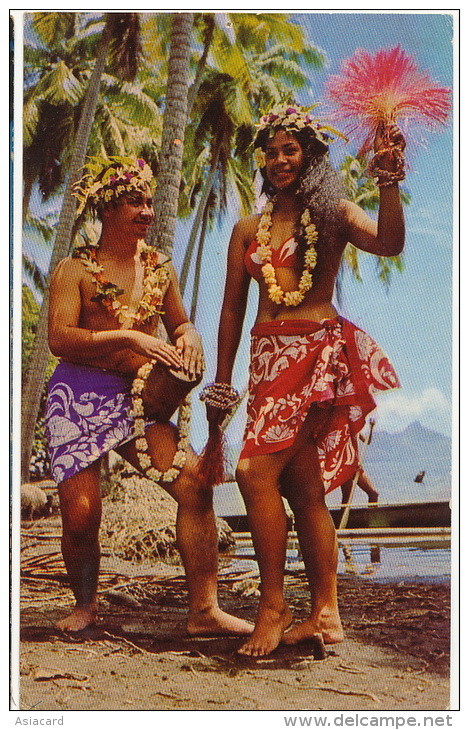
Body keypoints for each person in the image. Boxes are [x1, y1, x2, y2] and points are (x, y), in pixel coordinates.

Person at [204, 104, 404, 656]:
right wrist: (222, 385)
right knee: (303, 487)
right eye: (270, 152)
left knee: (252, 473)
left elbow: (389, 243)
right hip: (265, 361)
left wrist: (388, 182)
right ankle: (327, 613)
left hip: (315, 355)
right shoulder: (248, 228)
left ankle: (274, 606)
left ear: (311, 155)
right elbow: (229, 311)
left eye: (289, 149)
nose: (278, 160)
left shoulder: (333, 213)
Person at [45, 157, 253, 637]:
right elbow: (60, 338)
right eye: (134, 201)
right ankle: (86, 604)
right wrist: (129, 338)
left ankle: (204, 611)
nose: (147, 210)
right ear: (107, 209)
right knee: (81, 514)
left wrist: (190, 336)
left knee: (195, 486)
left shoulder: (159, 267)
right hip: (77, 395)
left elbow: (178, 322)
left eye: (148, 201)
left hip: (140, 398)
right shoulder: (74, 269)